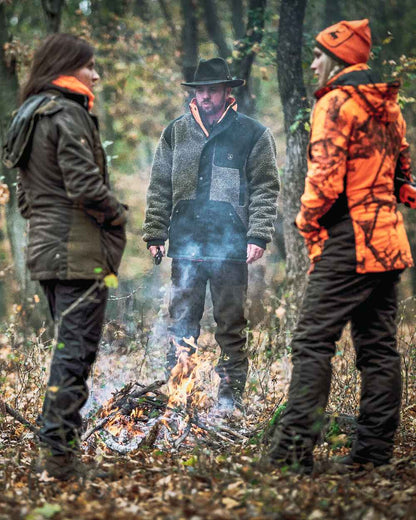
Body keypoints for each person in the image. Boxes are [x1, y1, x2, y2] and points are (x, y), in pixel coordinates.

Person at [268, 19, 413, 474]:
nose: (313, 63)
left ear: (338, 57)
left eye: (319, 56)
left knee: (312, 342)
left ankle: (291, 455)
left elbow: (324, 180)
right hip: (388, 238)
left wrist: (305, 221)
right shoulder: (388, 105)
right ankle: (372, 456)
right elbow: (404, 173)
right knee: (379, 348)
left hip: (350, 239)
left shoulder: (335, 102)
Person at [3, 34, 127, 479]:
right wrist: (118, 217)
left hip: (47, 250)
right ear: (67, 66)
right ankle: (58, 459)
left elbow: (25, 197)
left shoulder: (30, 114)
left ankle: (57, 452)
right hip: (77, 252)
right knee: (74, 354)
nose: (95, 75)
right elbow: (84, 186)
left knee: (68, 350)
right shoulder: (67, 112)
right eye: (89, 66)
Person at [143, 58, 279, 412]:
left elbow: (266, 187)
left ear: (227, 92)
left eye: (212, 89)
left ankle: (229, 402)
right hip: (185, 245)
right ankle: (176, 396)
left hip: (231, 247)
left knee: (231, 326)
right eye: (200, 90)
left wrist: (258, 234)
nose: (205, 96)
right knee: (181, 324)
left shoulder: (252, 132)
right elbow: (159, 185)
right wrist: (155, 231)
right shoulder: (176, 131)